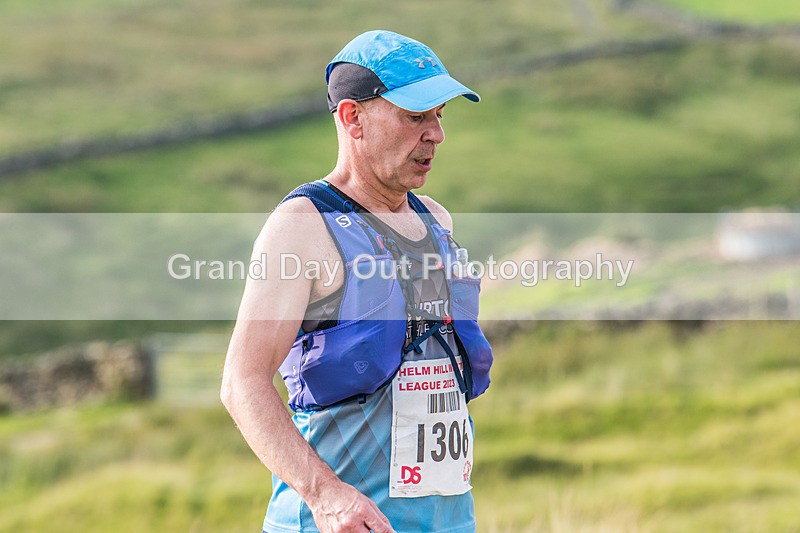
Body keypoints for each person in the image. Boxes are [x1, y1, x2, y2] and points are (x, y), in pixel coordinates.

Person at [221, 30, 493, 533]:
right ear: (352, 117)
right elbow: (242, 382)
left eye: (439, 116)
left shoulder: (438, 221)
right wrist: (327, 498)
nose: (435, 134)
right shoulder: (303, 225)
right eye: (416, 116)